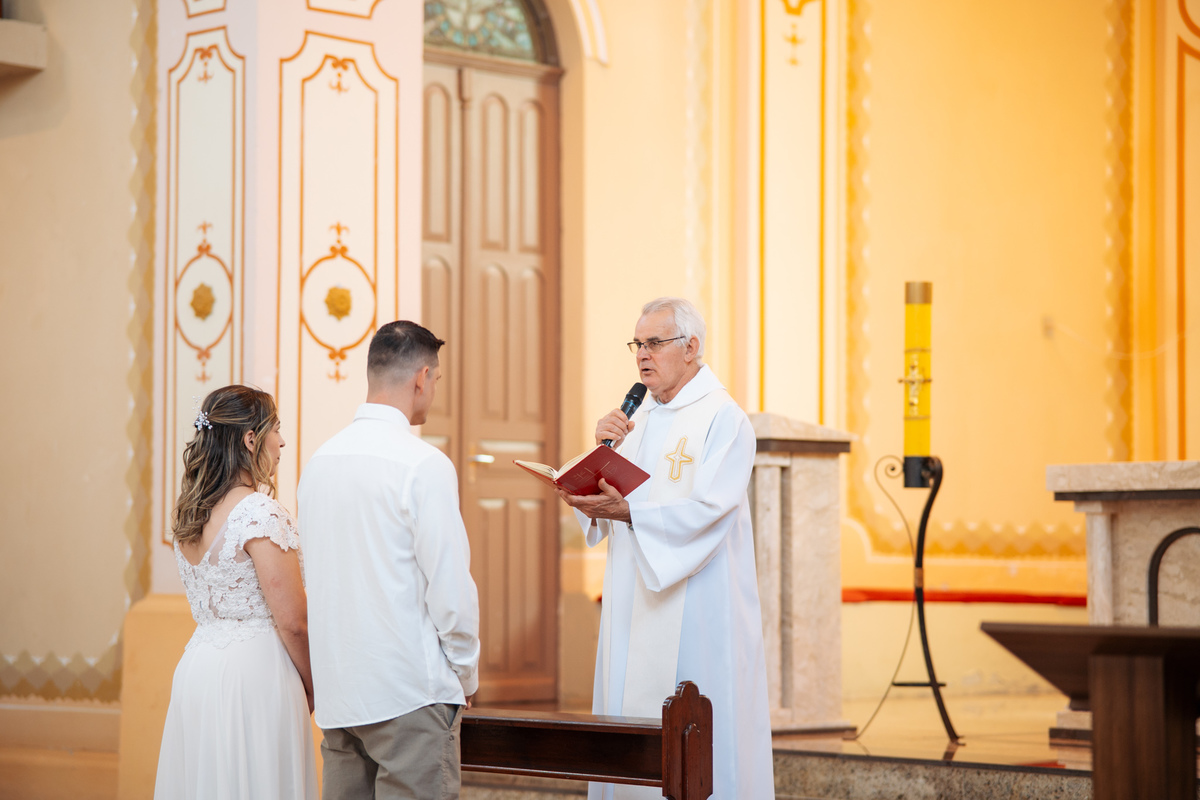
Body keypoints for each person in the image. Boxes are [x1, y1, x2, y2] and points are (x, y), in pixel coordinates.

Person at [558, 297, 775, 800]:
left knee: (692, 729)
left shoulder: (723, 419)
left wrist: (631, 514)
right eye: (637, 344)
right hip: (632, 596)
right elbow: (607, 500)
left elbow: (710, 510)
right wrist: (598, 455)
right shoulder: (636, 418)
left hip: (696, 606)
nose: (642, 354)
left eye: (654, 343)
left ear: (691, 347)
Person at [299, 320, 481, 800]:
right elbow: (449, 589)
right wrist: (465, 673)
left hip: (341, 694)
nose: (433, 391)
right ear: (422, 377)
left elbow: (314, 575)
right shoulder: (424, 465)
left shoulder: (318, 464)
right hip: (409, 693)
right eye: (436, 380)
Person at [155, 385, 317, 800]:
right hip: (255, 678)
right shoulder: (258, 512)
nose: (282, 442)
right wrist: (314, 685)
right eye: (275, 429)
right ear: (250, 439)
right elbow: (294, 622)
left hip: (198, 670)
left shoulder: (192, 514)